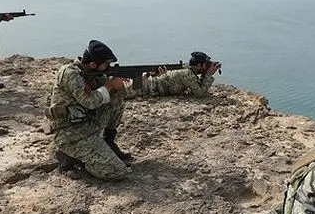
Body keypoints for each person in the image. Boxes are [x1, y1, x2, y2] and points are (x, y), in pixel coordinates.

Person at [45, 39, 132, 181]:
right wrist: (110, 85)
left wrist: (146, 77)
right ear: (92, 64)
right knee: (118, 171)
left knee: (118, 93)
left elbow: (124, 89)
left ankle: (108, 142)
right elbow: (90, 101)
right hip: (70, 132)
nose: (108, 67)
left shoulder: (92, 72)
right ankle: (69, 156)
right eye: (105, 64)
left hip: (87, 124)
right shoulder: (71, 74)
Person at [133, 51, 221, 98]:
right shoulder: (188, 74)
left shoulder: (188, 70)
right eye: (206, 65)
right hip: (144, 87)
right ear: (198, 65)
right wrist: (209, 74)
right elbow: (200, 93)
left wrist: (206, 73)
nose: (207, 67)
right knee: (125, 91)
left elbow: (198, 86)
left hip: (146, 84)